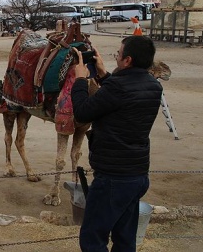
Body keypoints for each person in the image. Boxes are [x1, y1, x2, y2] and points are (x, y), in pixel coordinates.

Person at [71, 35, 163, 252]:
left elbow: (83, 112)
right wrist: (104, 75)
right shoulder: (153, 86)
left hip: (113, 177)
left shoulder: (118, 87)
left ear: (128, 60)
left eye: (118, 54)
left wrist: (80, 80)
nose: (116, 57)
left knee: (92, 238)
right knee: (125, 237)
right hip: (137, 174)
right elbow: (123, 98)